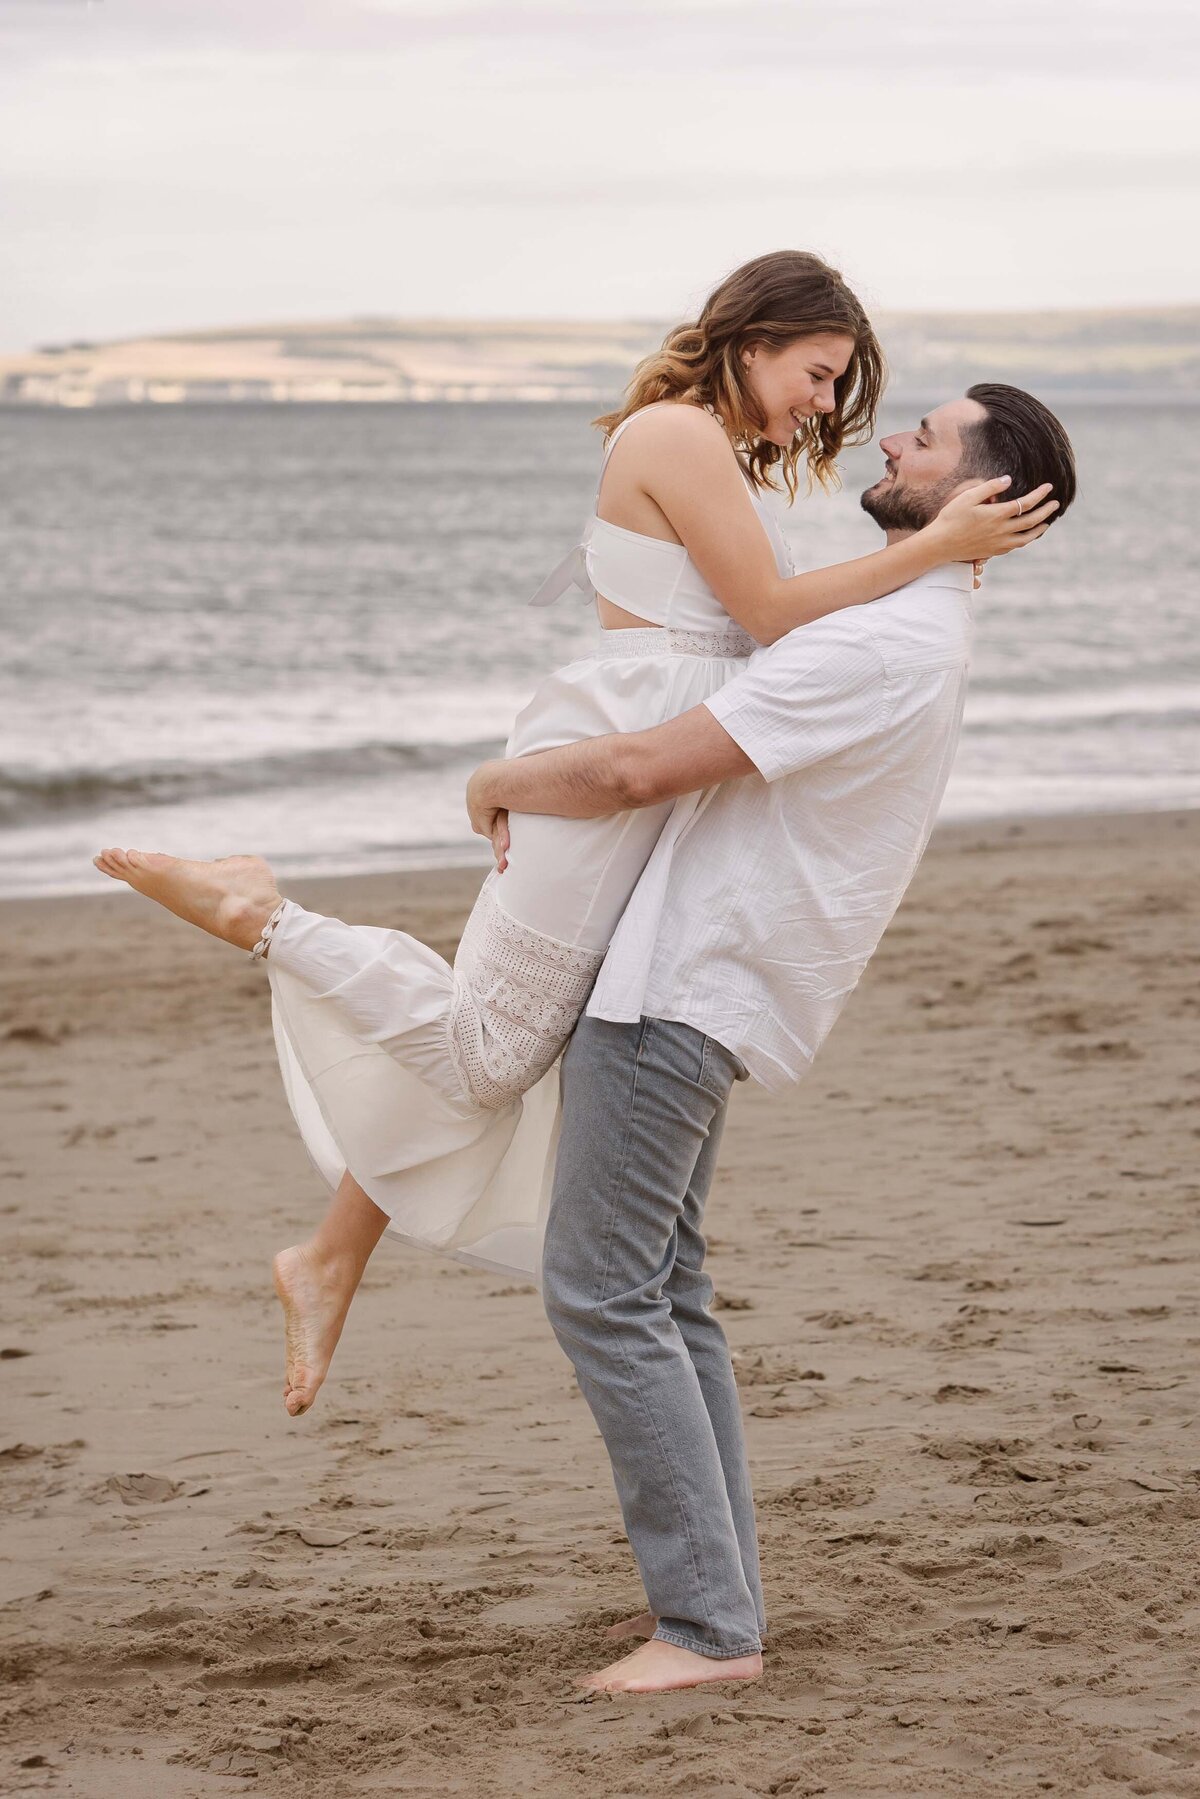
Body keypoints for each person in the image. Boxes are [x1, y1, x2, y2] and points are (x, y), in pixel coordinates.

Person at [91, 251, 1053, 1427]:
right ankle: (260, 913)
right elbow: (761, 618)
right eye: (817, 373)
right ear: (752, 341)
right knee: (493, 1051)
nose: (823, 404)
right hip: (614, 761)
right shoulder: (675, 434)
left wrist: (929, 576)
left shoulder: (724, 452)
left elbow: (772, 633)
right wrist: (933, 550)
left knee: (518, 1045)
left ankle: (336, 1246)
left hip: (655, 783)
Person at [453, 379, 1077, 1693]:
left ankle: (705, 1628)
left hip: (686, 983)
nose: (896, 433)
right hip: (701, 976)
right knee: (664, 1288)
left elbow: (639, 769)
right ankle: (718, 1600)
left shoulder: (883, 643)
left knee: (602, 1285)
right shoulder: (906, 621)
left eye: (929, 434)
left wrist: (499, 780)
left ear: (980, 497)